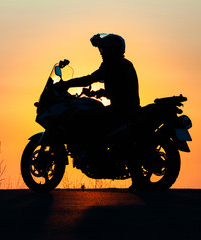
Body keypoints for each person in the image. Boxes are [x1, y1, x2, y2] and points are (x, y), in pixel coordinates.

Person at [58, 33, 146, 191]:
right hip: (127, 108)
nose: (101, 52)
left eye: (103, 49)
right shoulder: (124, 64)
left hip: (121, 110)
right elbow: (121, 90)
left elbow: (90, 78)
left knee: (87, 122)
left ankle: (98, 159)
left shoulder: (112, 64)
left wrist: (66, 84)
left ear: (112, 50)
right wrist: (100, 94)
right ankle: (104, 160)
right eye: (100, 48)